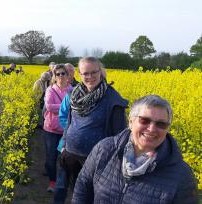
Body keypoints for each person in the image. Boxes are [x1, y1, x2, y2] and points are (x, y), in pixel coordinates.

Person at [72, 95, 198, 204]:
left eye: (161, 124)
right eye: (144, 120)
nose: (152, 129)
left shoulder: (182, 175)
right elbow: (83, 187)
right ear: (131, 122)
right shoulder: (104, 149)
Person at [58, 57, 128, 201]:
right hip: (71, 154)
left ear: (101, 72)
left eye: (93, 72)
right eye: (85, 73)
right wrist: (64, 145)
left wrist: (115, 161)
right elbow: (70, 123)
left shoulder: (112, 99)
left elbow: (120, 134)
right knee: (76, 192)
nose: (90, 77)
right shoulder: (75, 95)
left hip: (96, 159)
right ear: (79, 74)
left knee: (93, 195)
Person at [43, 64, 72, 192]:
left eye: (63, 73)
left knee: (64, 158)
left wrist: (58, 107)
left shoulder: (73, 90)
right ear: (54, 76)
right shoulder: (50, 90)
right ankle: (52, 181)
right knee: (51, 158)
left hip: (66, 130)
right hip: (51, 130)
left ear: (68, 76)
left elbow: (76, 108)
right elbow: (49, 106)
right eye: (57, 74)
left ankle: (61, 182)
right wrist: (66, 107)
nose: (60, 76)